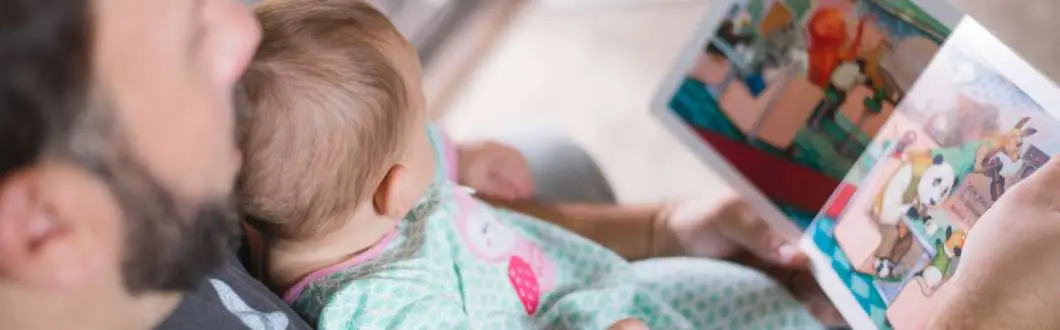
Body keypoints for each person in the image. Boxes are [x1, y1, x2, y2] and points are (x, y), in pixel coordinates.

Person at [1, 0, 1056, 329]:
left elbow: (438, 220)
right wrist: (966, 312)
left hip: (562, 283)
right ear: (44, 227)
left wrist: (654, 227)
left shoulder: (234, 200)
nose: (235, 30)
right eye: (192, 46)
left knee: (545, 158)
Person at [237, 1, 831, 329]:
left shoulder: (329, 209)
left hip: (596, 289)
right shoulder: (384, 313)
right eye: (423, 123)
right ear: (392, 192)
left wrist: (458, 156)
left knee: (759, 296)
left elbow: (406, 168)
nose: (433, 134)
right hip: (585, 316)